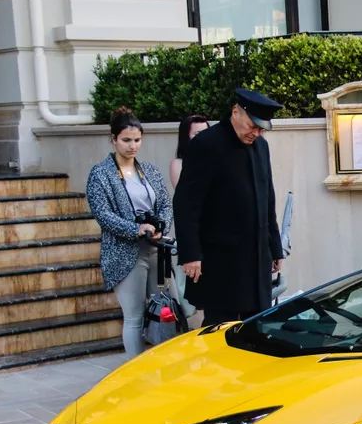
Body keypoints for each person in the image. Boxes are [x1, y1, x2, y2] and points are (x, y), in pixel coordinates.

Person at [173, 88, 284, 327]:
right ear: (236, 111)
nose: (255, 133)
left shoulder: (261, 146)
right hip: (220, 260)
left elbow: (268, 198)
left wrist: (275, 246)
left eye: (261, 128)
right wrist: (191, 254)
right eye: (252, 126)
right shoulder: (207, 143)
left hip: (256, 256)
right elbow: (186, 202)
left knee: (256, 327)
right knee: (219, 328)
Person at [85, 106, 173, 357]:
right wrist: (136, 229)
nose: (132, 146)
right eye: (126, 140)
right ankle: (136, 377)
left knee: (165, 311)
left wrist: (160, 226)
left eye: (137, 140)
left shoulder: (150, 170)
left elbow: (166, 204)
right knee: (134, 316)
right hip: (124, 253)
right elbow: (104, 216)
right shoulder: (100, 174)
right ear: (113, 139)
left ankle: (164, 368)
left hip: (158, 249)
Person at [169, 113, 210, 188]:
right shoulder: (178, 164)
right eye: (198, 133)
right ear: (186, 136)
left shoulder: (217, 158)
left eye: (207, 132)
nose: (205, 136)